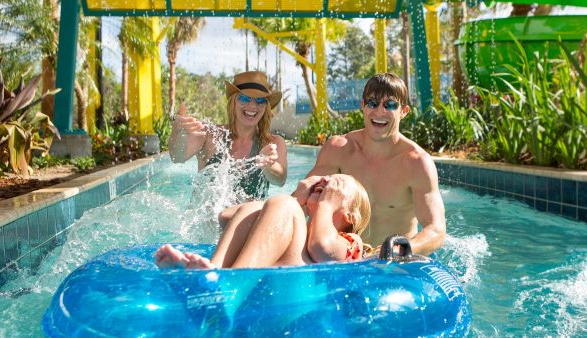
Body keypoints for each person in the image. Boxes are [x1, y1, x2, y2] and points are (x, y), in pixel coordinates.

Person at [222, 73, 446, 256]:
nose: (379, 111)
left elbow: (435, 229)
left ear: (404, 111)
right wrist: (255, 216)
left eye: (390, 105)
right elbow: (300, 197)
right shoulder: (339, 148)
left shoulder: (416, 163)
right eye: (372, 103)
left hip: (386, 264)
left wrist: (401, 249)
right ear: (363, 106)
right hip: (335, 254)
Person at [155, 174, 371, 269]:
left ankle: (227, 284)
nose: (326, 180)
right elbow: (226, 216)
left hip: (301, 290)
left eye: (337, 186)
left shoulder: (351, 241)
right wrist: (297, 196)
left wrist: (325, 204)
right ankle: (212, 272)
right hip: (273, 283)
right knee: (258, 207)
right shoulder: (297, 231)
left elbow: (322, 250)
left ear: (351, 216)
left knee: (285, 205)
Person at [169, 71, 287, 200]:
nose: (253, 105)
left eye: (260, 100)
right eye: (245, 98)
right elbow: (177, 157)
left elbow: (280, 180)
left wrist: (269, 165)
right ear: (233, 102)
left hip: (250, 218)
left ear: (266, 106)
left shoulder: (272, 142)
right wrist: (177, 131)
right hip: (210, 218)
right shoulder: (209, 134)